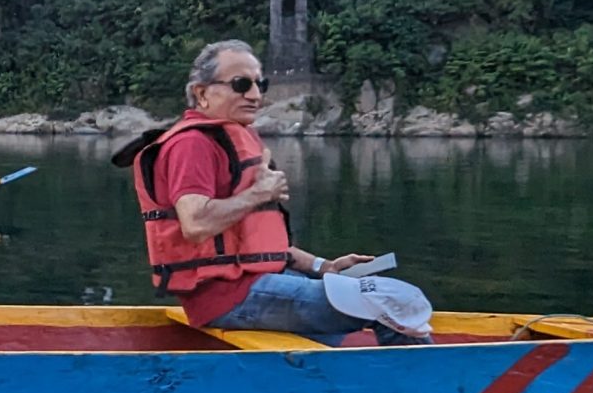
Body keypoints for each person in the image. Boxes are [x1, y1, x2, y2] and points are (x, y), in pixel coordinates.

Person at [119, 40, 433, 345]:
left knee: (371, 294)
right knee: (392, 301)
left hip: (257, 284)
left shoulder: (233, 139)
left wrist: (324, 267)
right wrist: (258, 193)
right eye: (241, 84)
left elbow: (253, 245)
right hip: (229, 298)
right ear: (202, 93)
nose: (255, 95)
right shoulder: (192, 144)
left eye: (260, 84)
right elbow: (196, 224)